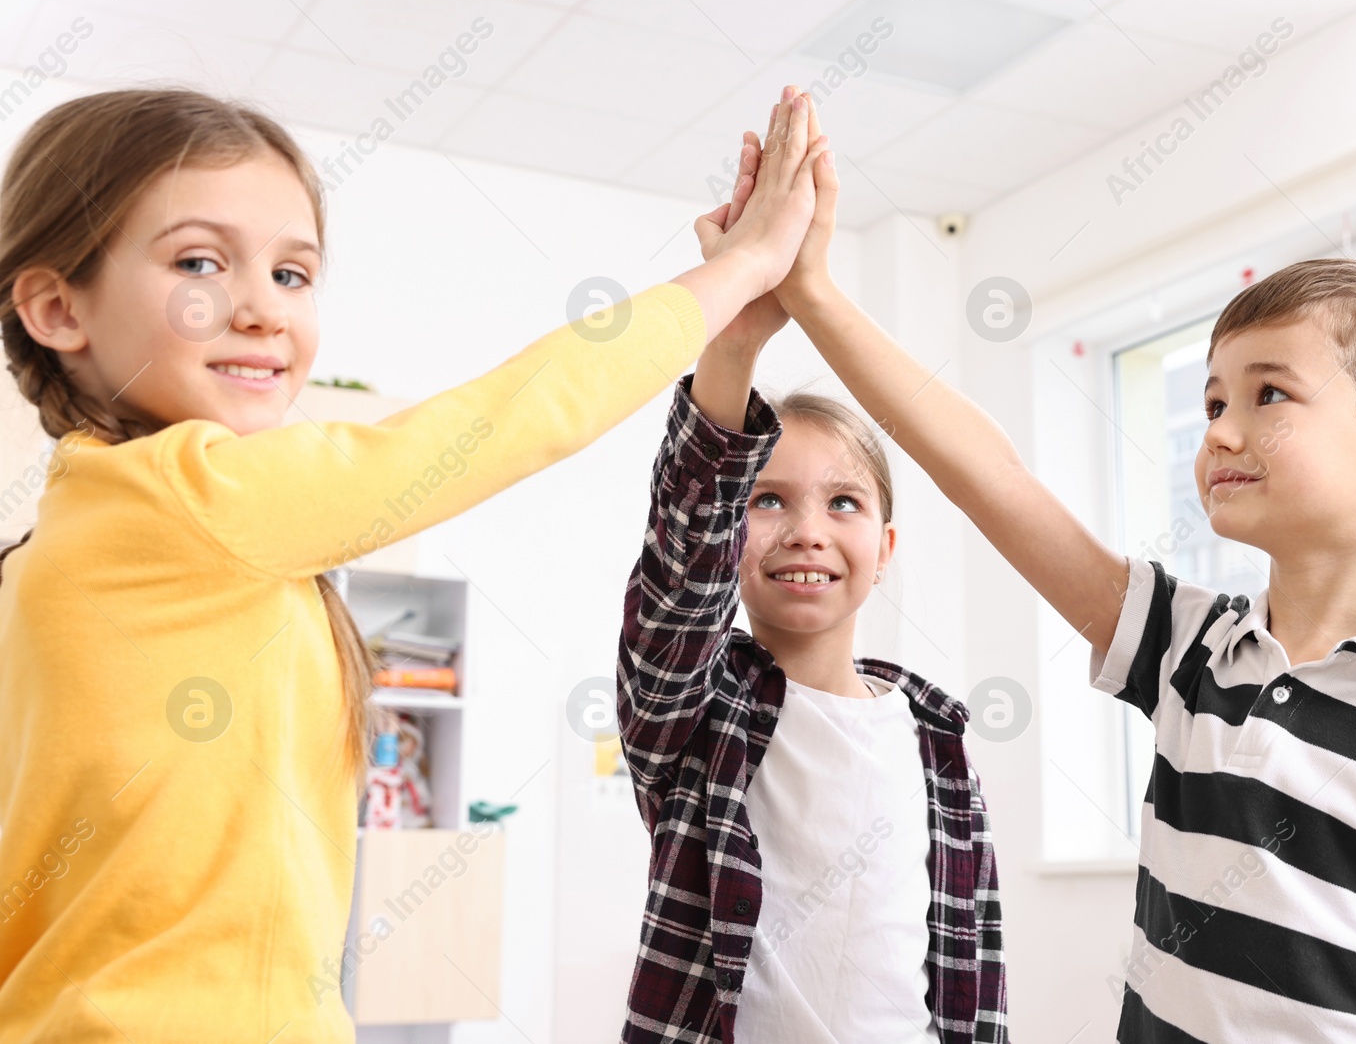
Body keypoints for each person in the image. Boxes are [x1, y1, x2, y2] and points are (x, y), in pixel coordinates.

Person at [732, 98, 1356, 1043]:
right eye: (1214, 395)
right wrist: (811, 289)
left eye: (1269, 392)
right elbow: (995, 478)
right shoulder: (1194, 651)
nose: (1219, 428)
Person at [0, 83, 823, 1041]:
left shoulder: (71, 540)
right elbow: (507, 418)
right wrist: (746, 269)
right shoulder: (179, 499)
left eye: (293, 274)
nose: (264, 311)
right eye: (198, 262)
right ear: (58, 307)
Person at [613, 88, 1007, 1043]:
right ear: (732, 537)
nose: (806, 530)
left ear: (885, 548)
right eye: (768, 500)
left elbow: (972, 970)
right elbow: (678, 572)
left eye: (843, 503)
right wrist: (737, 339)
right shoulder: (698, 715)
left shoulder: (935, 738)